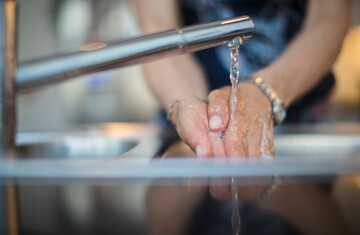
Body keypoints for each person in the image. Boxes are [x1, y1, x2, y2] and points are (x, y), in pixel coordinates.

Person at [133, 0, 351, 159]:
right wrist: (190, 104)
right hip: (186, 126)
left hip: (301, 123)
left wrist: (267, 92)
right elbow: (158, 29)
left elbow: (329, 16)